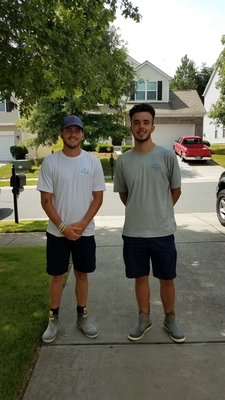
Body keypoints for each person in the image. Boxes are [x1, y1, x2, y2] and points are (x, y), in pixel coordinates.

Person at [113, 103, 185, 343]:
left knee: (167, 278)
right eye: (136, 122)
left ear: (153, 126)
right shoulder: (123, 161)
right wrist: (140, 211)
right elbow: (125, 195)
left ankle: (170, 319)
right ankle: (144, 318)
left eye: (145, 122)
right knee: (140, 277)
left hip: (163, 232)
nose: (141, 127)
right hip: (134, 233)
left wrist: (160, 211)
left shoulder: (166, 156)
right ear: (130, 126)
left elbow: (175, 191)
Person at [37, 114, 105, 343]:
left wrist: (82, 225)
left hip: (84, 233)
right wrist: (64, 227)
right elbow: (46, 200)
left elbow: (97, 198)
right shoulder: (51, 162)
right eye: (68, 130)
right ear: (61, 133)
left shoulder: (92, 162)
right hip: (58, 233)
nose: (73, 134)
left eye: (77, 130)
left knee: (82, 274)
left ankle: (82, 316)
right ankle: (53, 318)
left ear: (83, 134)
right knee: (57, 276)